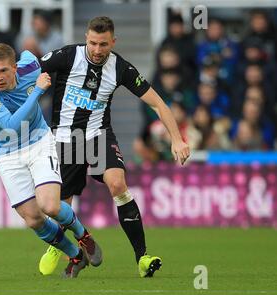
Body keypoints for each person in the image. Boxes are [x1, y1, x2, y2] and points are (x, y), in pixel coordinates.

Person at [39, 16, 190, 277]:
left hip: (98, 136)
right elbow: (28, 68)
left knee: (118, 184)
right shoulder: (66, 56)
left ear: (113, 41)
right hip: (65, 138)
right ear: (86, 37)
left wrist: (177, 139)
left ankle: (142, 257)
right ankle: (59, 244)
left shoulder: (121, 68)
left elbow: (158, 104)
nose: (98, 50)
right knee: (61, 203)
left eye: (104, 44)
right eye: (94, 43)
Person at [0, 43, 102, 278]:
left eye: (3, 70)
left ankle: (84, 236)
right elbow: (11, 126)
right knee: (33, 219)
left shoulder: (31, 65)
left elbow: (42, 57)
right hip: (6, 153)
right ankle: (75, 255)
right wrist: (37, 92)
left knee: (50, 206)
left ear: (15, 67)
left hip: (39, 142)